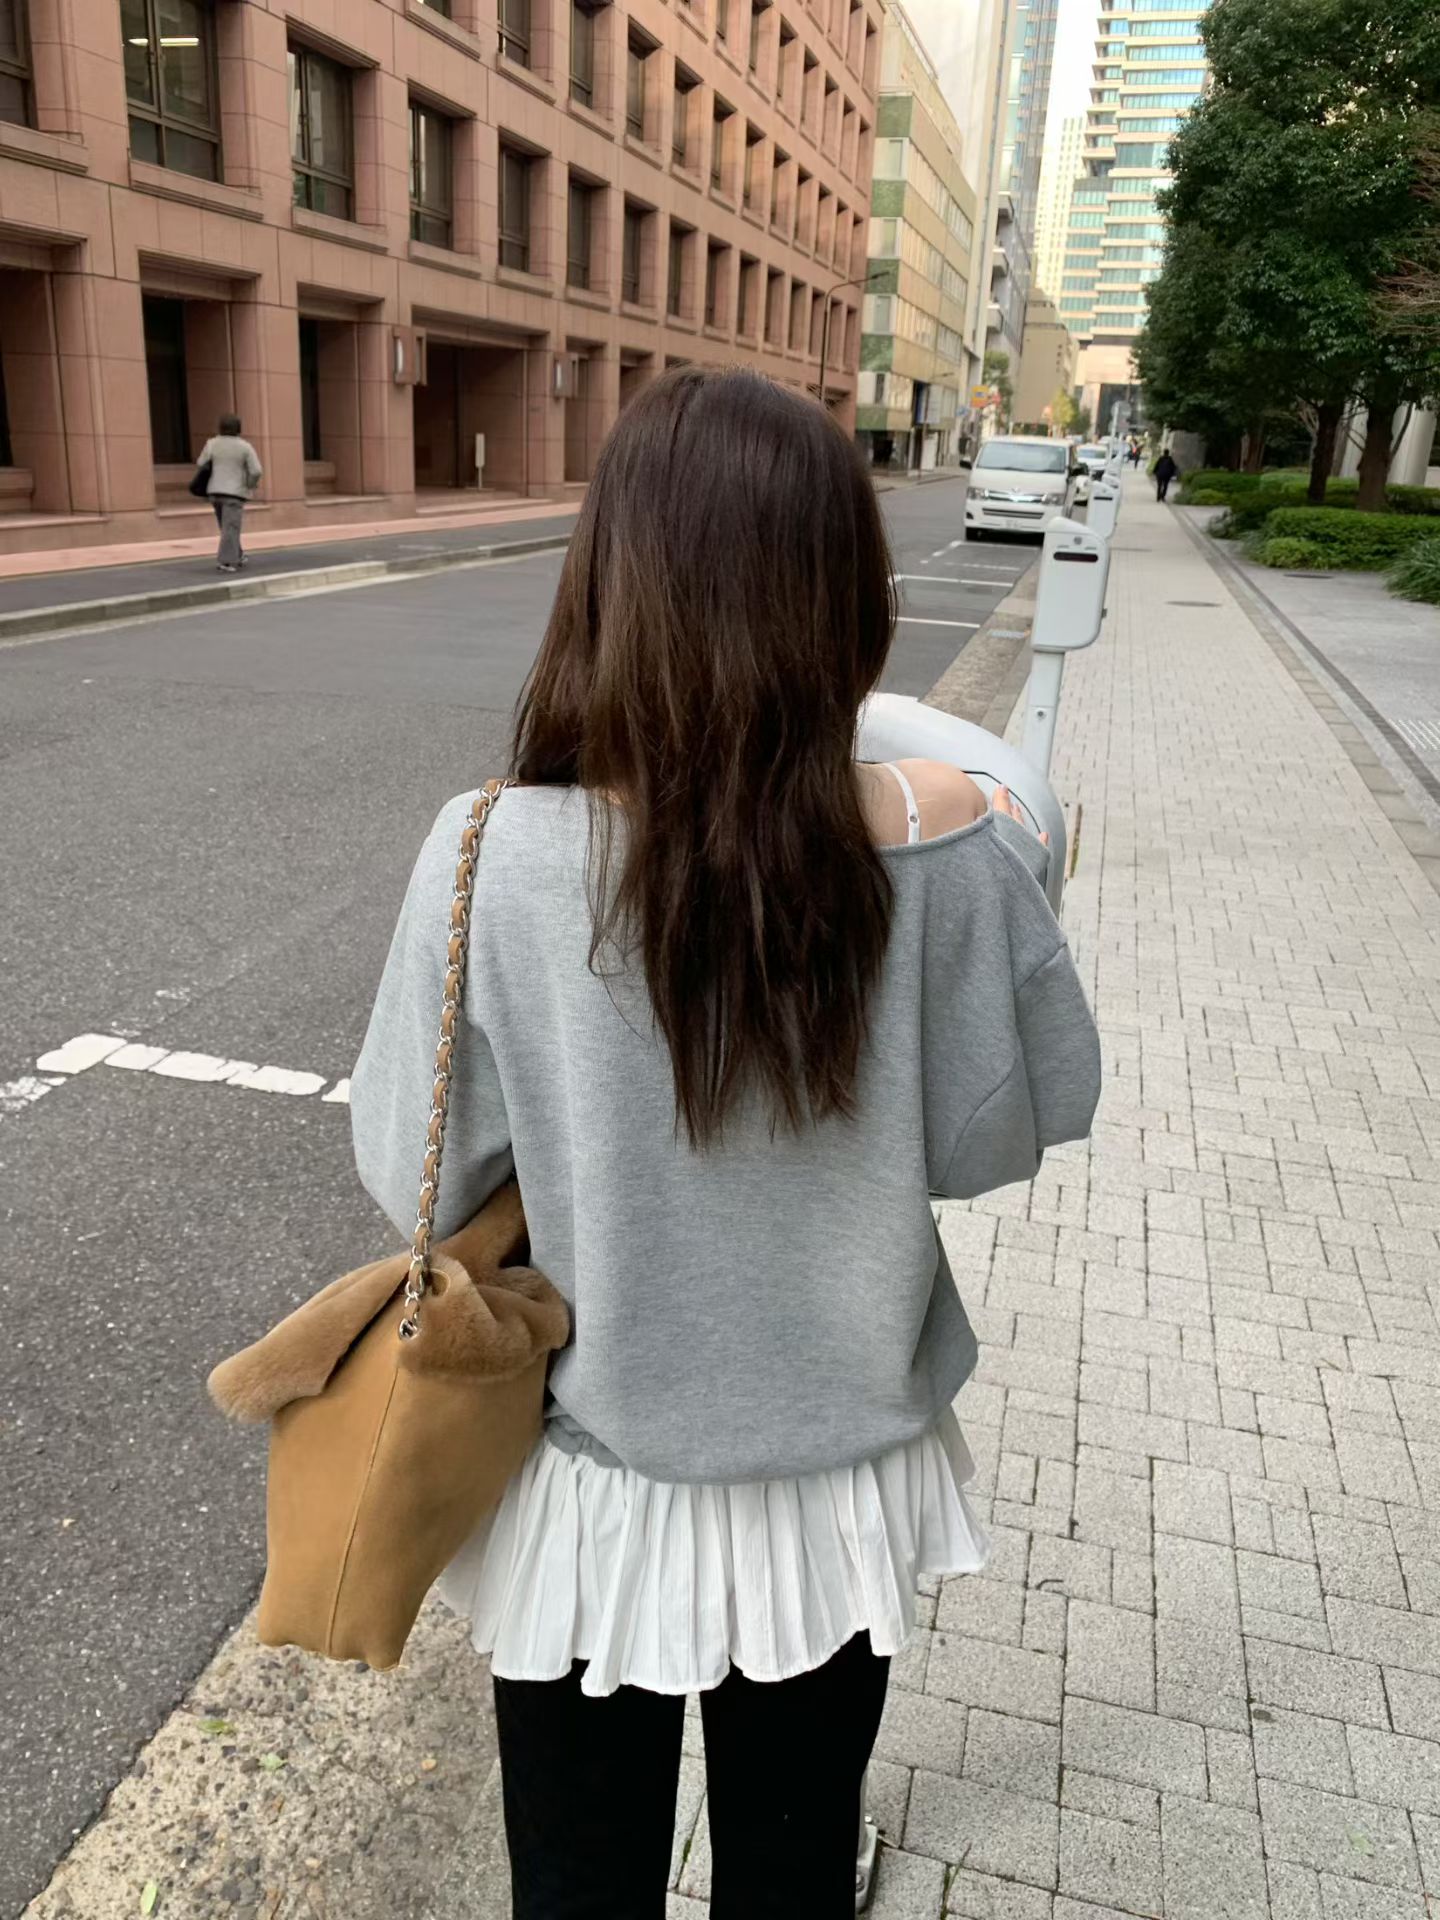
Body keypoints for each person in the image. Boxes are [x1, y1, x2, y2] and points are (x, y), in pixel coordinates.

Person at [349, 367, 1101, 1920]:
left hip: (589, 1473)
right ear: (845, 599)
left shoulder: (488, 849)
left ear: (608, 587)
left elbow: (413, 1166)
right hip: (840, 1484)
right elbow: (999, 1138)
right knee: (792, 1870)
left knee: (578, 1882)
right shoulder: (949, 843)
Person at [195, 413, 262, 573]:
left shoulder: (212, 443)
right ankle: (226, 561)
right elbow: (256, 471)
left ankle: (238, 555)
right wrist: (250, 484)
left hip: (214, 492)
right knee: (230, 528)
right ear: (238, 428)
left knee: (226, 527)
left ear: (220, 427)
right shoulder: (244, 446)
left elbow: (200, 462)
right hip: (234, 493)